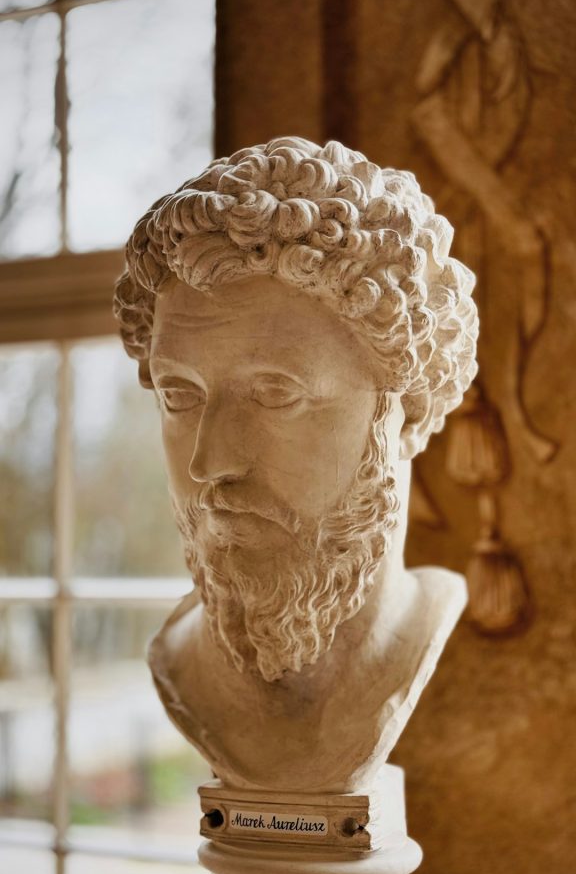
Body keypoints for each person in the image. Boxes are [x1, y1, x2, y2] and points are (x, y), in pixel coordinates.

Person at [113, 136, 478, 791]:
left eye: (276, 394)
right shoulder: (176, 658)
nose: (209, 463)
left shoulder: (426, 628)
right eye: (180, 396)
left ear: (407, 411)